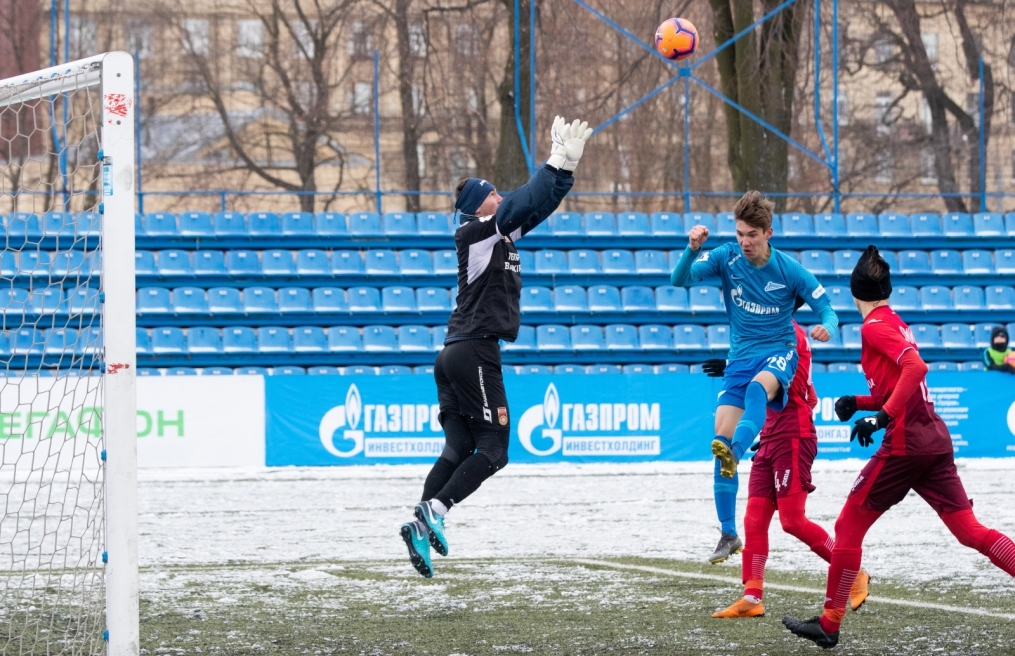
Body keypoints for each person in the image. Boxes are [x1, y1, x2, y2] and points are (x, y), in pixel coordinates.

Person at [783, 246, 1015, 649]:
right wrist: (861, 403)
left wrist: (883, 417)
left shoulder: (873, 326)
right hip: (933, 441)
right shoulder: (894, 321)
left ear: (856, 293)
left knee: (846, 527)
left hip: (906, 445)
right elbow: (903, 383)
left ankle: (829, 623)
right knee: (969, 531)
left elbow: (915, 369)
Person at [399, 116, 593, 578]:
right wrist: (549, 161)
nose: (500, 197)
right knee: (495, 449)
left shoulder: (494, 234)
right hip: (475, 351)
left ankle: (418, 524)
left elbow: (534, 209)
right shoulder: (479, 232)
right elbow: (522, 201)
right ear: (477, 207)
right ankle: (434, 512)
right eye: (492, 194)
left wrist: (565, 170)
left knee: (458, 447)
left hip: (455, 351)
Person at [670, 191, 838, 563]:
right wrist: (691, 249)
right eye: (740, 233)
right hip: (740, 359)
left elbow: (827, 308)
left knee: (758, 394)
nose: (745, 241)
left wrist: (826, 327)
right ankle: (728, 533)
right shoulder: (727, 257)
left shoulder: (789, 270)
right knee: (719, 440)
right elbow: (679, 280)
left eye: (752, 235)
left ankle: (737, 451)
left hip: (780, 353)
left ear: (768, 233)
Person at [707, 300, 869, 618]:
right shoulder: (772, 334)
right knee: (754, 519)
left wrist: (732, 368)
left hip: (793, 438)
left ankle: (855, 574)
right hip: (772, 437)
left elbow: (773, 382)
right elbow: (807, 395)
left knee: (792, 521)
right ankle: (752, 599)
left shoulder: (788, 335)